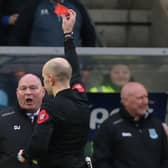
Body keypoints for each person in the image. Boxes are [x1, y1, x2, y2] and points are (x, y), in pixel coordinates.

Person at [17, 9, 90, 168]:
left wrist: (24, 155)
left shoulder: (51, 106)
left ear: (50, 79)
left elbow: (38, 144)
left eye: (43, 78)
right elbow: (74, 70)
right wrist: (68, 34)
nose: (44, 83)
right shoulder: (82, 99)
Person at [93, 82, 168, 168]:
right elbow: (101, 161)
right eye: (140, 98)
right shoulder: (110, 126)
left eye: (146, 97)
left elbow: (165, 158)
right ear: (125, 100)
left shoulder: (156, 124)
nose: (145, 102)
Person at [0, 73, 45, 168]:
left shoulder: (55, 118)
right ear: (17, 93)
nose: (28, 92)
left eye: (33, 88)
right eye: (23, 88)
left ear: (43, 92)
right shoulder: (2, 119)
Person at [8, 0, 96, 47]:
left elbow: (89, 37)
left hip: (71, 68)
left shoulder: (77, 6)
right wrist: (18, 67)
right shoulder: (33, 6)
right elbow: (18, 36)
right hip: (38, 68)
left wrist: (86, 68)